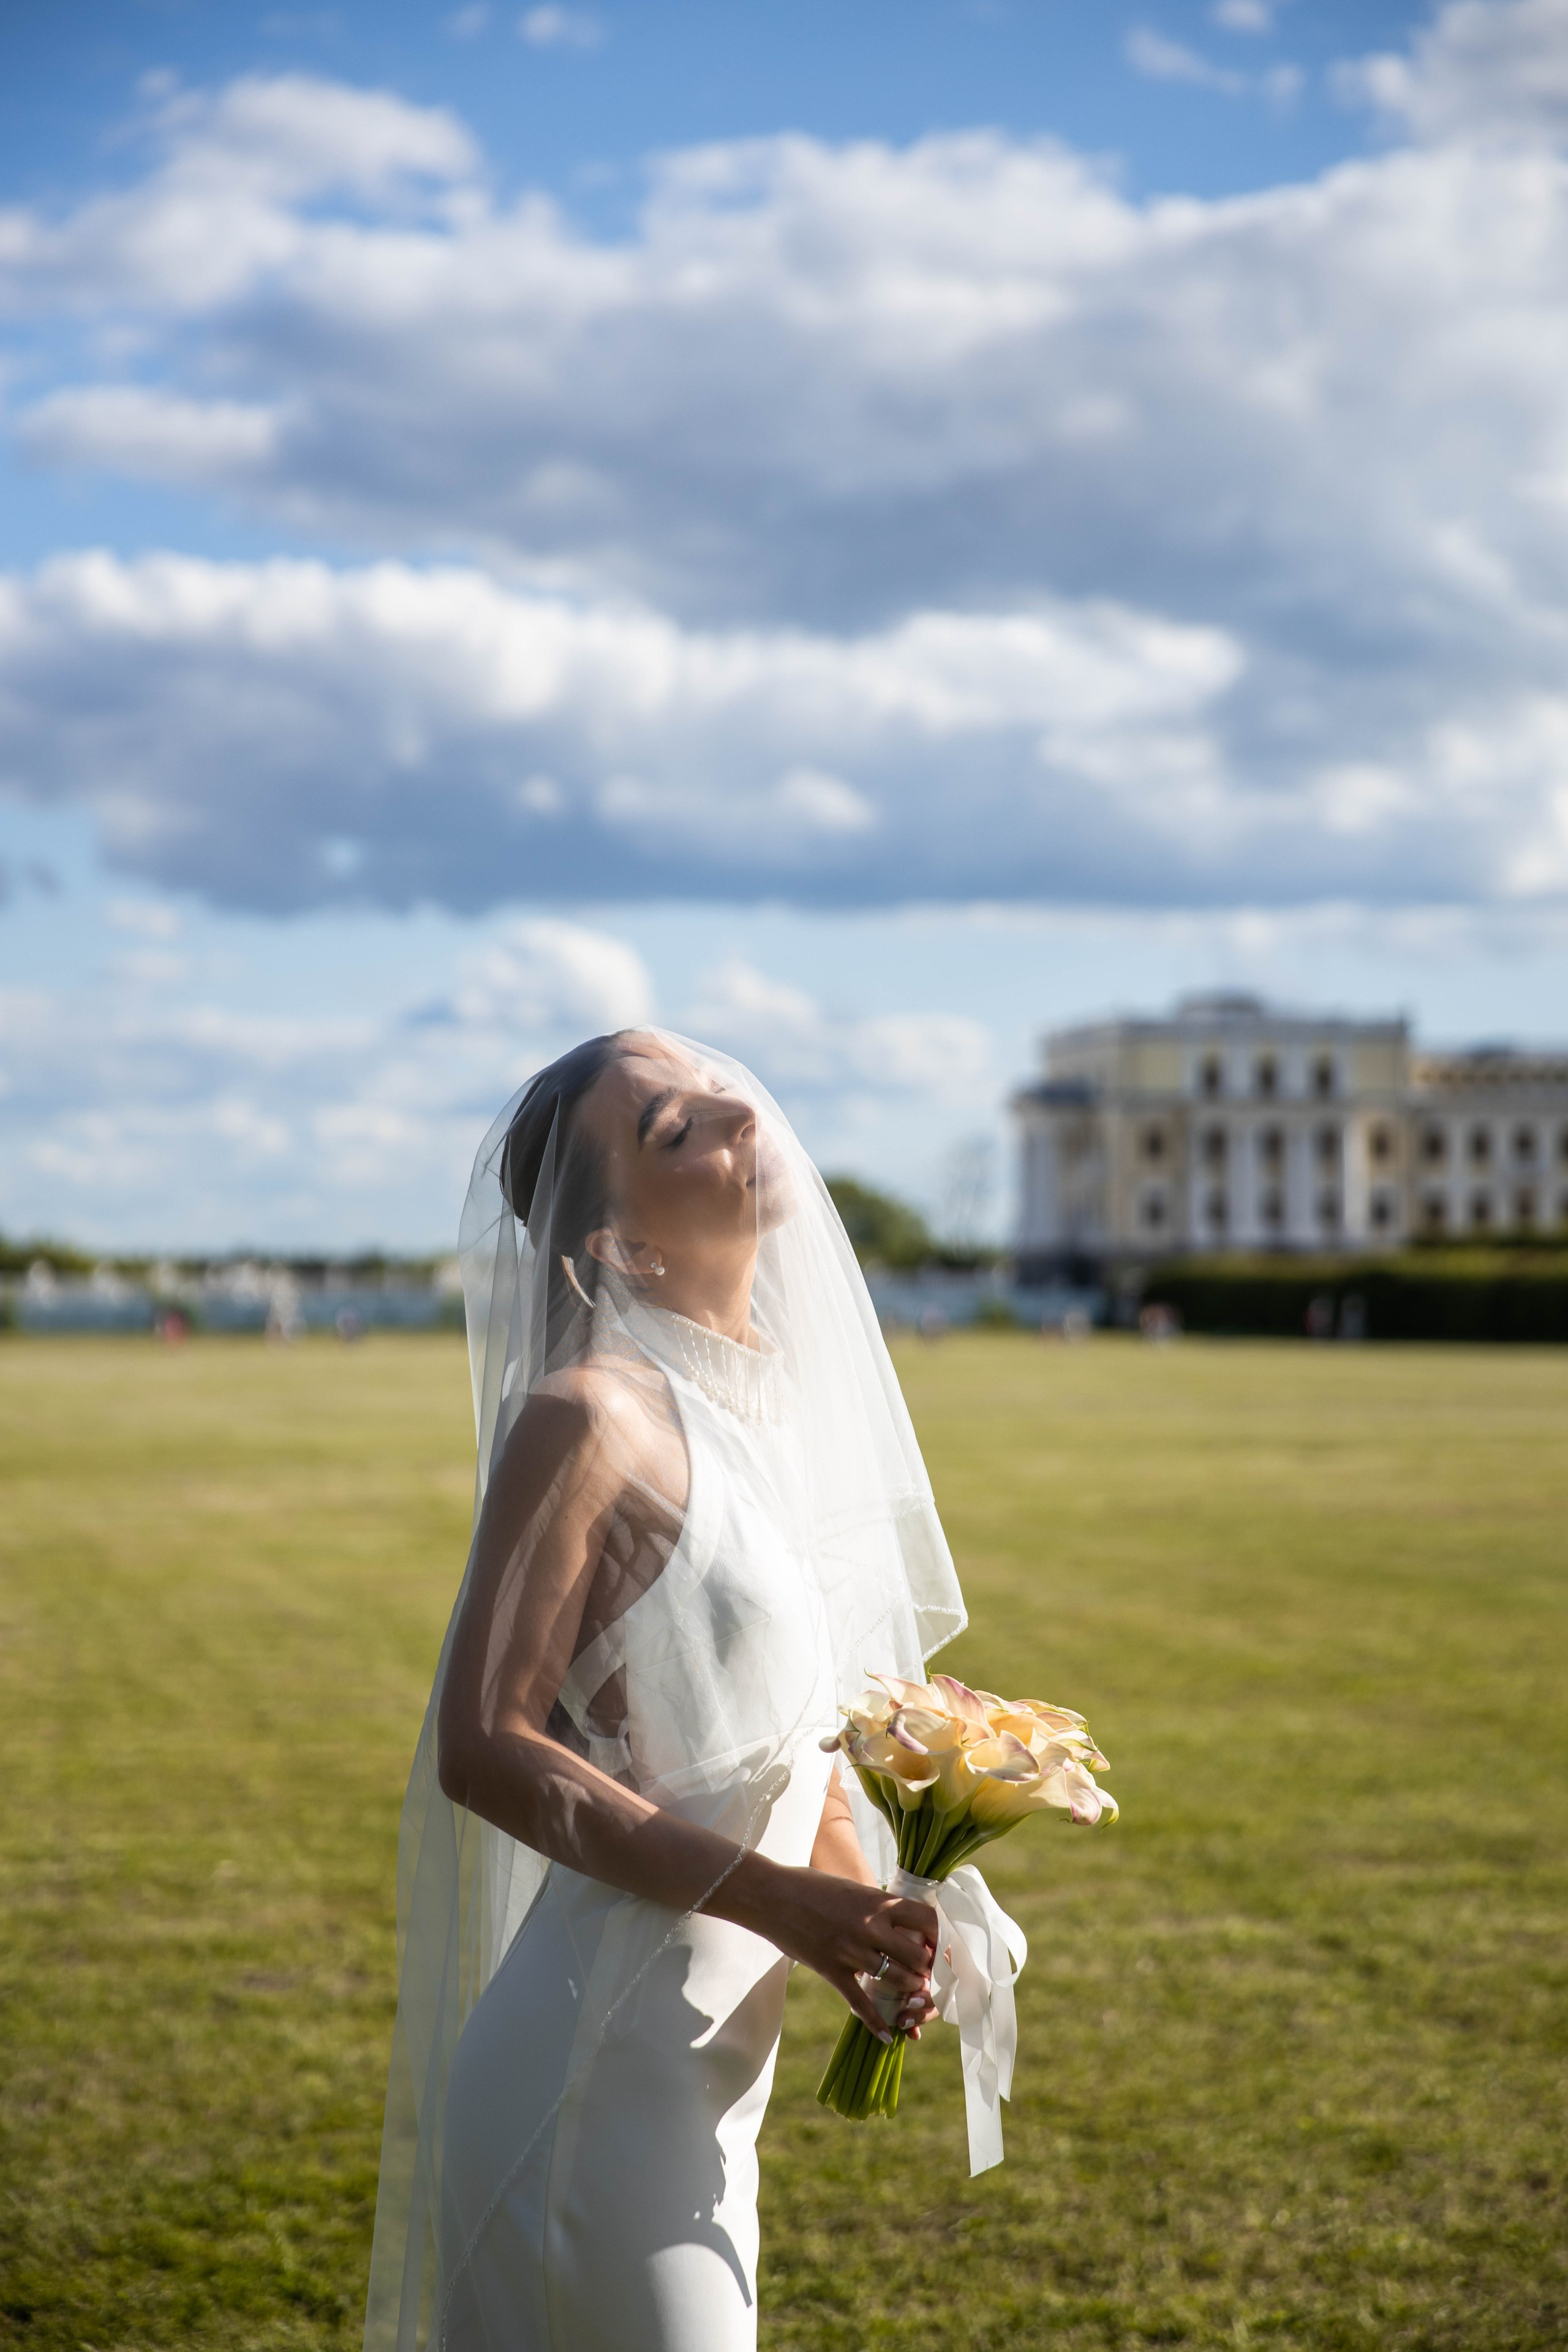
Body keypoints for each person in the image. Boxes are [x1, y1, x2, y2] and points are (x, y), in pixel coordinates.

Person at [363, 1030, 967, 2352]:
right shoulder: (587, 1422)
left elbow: (774, 1749)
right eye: (675, 1129)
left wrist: (862, 1911)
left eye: (713, 1092)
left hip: (703, 2081)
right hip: (592, 2077)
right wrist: (780, 1906)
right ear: (622, 1248)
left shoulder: (773, 1428)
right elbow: (484, 1744)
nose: (734, 1115)